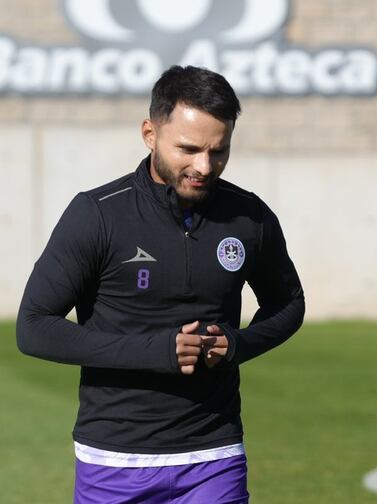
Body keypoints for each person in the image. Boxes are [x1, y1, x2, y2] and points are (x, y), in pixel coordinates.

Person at [17, 65, 305, 503]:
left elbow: (288, 303)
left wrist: (237, 345)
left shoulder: (250, 217)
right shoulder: (97, 214)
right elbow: (34, 327)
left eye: (219, 151)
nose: (204, 166)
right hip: (113, 460)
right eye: (188, 149)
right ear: (150, 133)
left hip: (215, 455)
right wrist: (157, 351)